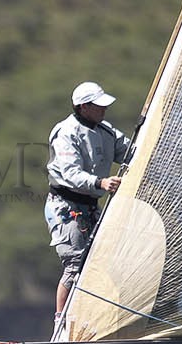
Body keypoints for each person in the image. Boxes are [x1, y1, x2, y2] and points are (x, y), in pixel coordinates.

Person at [46, 80, 135, 330]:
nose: (104, 110)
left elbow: (130, 151)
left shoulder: (105, 130)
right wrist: (101, 182)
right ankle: (61, 323)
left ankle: (93, 321)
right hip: (66, 206)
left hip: (91, 208)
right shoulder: (66, 132)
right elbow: (70, 173)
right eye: (98, 106)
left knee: (99, 264)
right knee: (75, 265)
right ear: (83, 107)